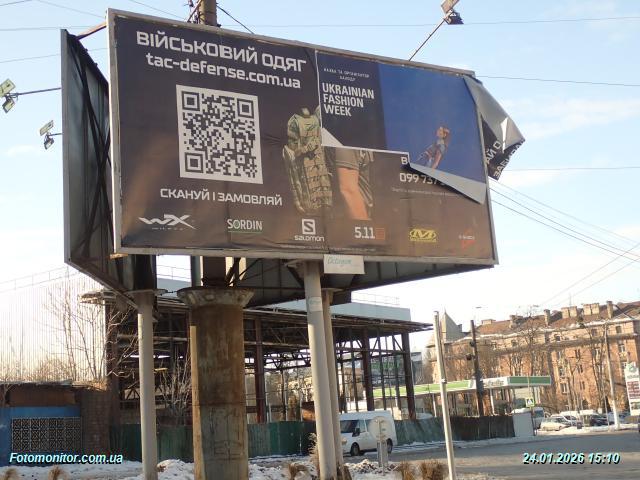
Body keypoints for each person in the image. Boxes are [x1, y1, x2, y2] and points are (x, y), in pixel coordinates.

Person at [282, 107, 332, 214]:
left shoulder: (321, 144)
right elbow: (293, 178)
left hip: (324, 206)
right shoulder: (290, 152)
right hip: (309, 206)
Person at [333, 147, 373, 221]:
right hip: (354, 218)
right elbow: (348, 190)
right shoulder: (348, 144)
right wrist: (364, 225)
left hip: (368, 215)